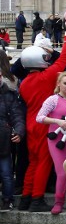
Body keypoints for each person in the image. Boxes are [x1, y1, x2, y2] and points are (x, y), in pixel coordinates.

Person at [17, 24, 66, 212]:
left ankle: (26, 197)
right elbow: (64, 58)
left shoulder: (24, 83)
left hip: (30, 122)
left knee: (33, 162)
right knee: (43, 162)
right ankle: (36, 199)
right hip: (44, 124)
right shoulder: (45, 77)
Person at [36, 71, 66, 214]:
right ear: (58, 84)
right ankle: (59, 202)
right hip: (56, 140)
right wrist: (57, 121)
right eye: (65, 83)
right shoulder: (52, 100)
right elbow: (39, 117)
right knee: (62, 172)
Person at [0, 73, 25, 211]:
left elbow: (18, 116)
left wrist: (20, 132)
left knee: (6, 173)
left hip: (4, 138)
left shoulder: (10, 94)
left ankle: (7, 199)